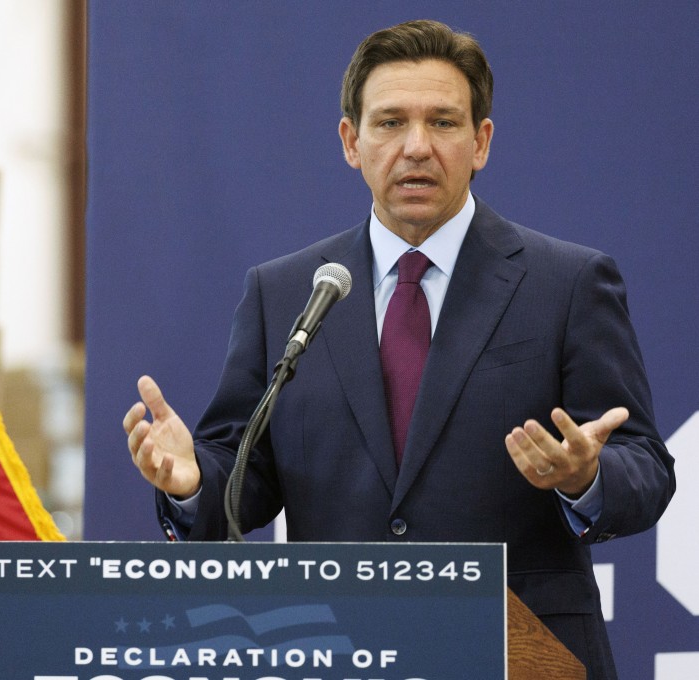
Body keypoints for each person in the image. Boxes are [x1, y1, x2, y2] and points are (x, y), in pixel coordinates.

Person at [122, 19, 674, 679]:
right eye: (389, 123)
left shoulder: (568, 283)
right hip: (334, 648)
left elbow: (644, 465)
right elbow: (245, 475)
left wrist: (587, 476)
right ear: (352, 142)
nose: (416, 147)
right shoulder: (286, 291)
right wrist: (192, 484)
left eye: (443, 122)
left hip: (521, 654)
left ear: (482, 142)